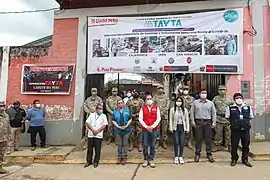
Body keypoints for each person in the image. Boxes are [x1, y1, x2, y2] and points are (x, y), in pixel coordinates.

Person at [225, 93, 253, 167]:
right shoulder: (230, 107)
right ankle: (234, 159)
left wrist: (244, 123)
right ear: (234, 99)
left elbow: (250, 117)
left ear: (242, 99)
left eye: (240, 98)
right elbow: (227, 117)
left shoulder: (247, 107)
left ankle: (245, 159)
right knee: (234, 146)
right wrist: (235, 123)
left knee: (246, 145)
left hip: (245, 130)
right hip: (235, 130)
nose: (239, 99)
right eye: (237, 98)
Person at [190, 89, 217, 163]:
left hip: (208, 122)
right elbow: (192, 112)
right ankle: (197, 153)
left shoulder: (210, 103)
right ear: (199, 94)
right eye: (202, 93)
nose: (204, 94)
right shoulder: (195, 103)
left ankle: (209, 154)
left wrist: (214, 122)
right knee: (198, 139)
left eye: (205, 93)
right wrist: (192, 121)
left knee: (208, 139)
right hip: (198, 122)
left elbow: (214, 113)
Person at [139, 94, 161, 168]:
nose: (149, 100)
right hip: (145, 130)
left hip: (153, 129)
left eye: (150, 98)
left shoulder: (156, 108)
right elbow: (140, 119)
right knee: (145, 145)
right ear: (145, 100)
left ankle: (151, 159)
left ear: (152, 99)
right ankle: (145, 159)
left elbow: (158, 119)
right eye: (147, 99)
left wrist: (152, 127)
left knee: (152, 145)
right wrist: (146, 127)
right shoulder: (143, 108)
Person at [84, 104, 108, 168]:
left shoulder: (103, 116)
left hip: (98, 135)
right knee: (90, 149)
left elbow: (104, 125)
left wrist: (97, 131)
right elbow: (88, 123)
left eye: (101, 109)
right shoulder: (91, 115)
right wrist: (93, 130)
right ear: (96, 109)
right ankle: (89, 161)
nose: (101, 110)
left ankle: (96, 161)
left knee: (97, 149)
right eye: (99, 109)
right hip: (91, 135)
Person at [212, 85, 234, 152]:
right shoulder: (215, 98)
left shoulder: (229, 99)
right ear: (218, 91)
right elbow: (212, 108)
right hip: (219, 118)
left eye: (223, 89)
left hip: (227, 119)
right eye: (220, 90)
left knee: (229, 134)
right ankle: (217, 146)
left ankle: (229, 146)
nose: (222, 91)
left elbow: (233, 108)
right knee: (218, 133)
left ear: (226, 91)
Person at [169, 97, 189, 164]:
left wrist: (187, 128)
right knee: (176, 142)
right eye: (177, 101)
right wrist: (171, 128)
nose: (179, 102)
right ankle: (176, 156)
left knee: (182, 142)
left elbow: (186, 120)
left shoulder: (185, 110)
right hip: (176, 127)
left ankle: (181, 156)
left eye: (180, 101)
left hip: (182, 127)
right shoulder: (172, 109)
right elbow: (171, 119)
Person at [112, 100, 132, 165]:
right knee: (120, 144)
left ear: (123, 103)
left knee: (125, 144)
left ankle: (124, 157)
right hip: (118, 130)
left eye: (121, 103)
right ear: (117, 104)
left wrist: (126, 126)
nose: (120, 104)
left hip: (126, 130)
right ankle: (119, 157)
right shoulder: (115, 112)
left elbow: (130, 119)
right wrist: (118, 126)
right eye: (119, 103)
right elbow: (113, 120)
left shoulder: (127, 110)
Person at [0, 101, 11, 174]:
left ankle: (0, 167)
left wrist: (9, 136)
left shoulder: (6, 115)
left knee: (1, 154)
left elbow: (8, 126)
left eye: (3, 106)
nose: (2, 108)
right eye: (0, 106)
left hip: (4, 138)